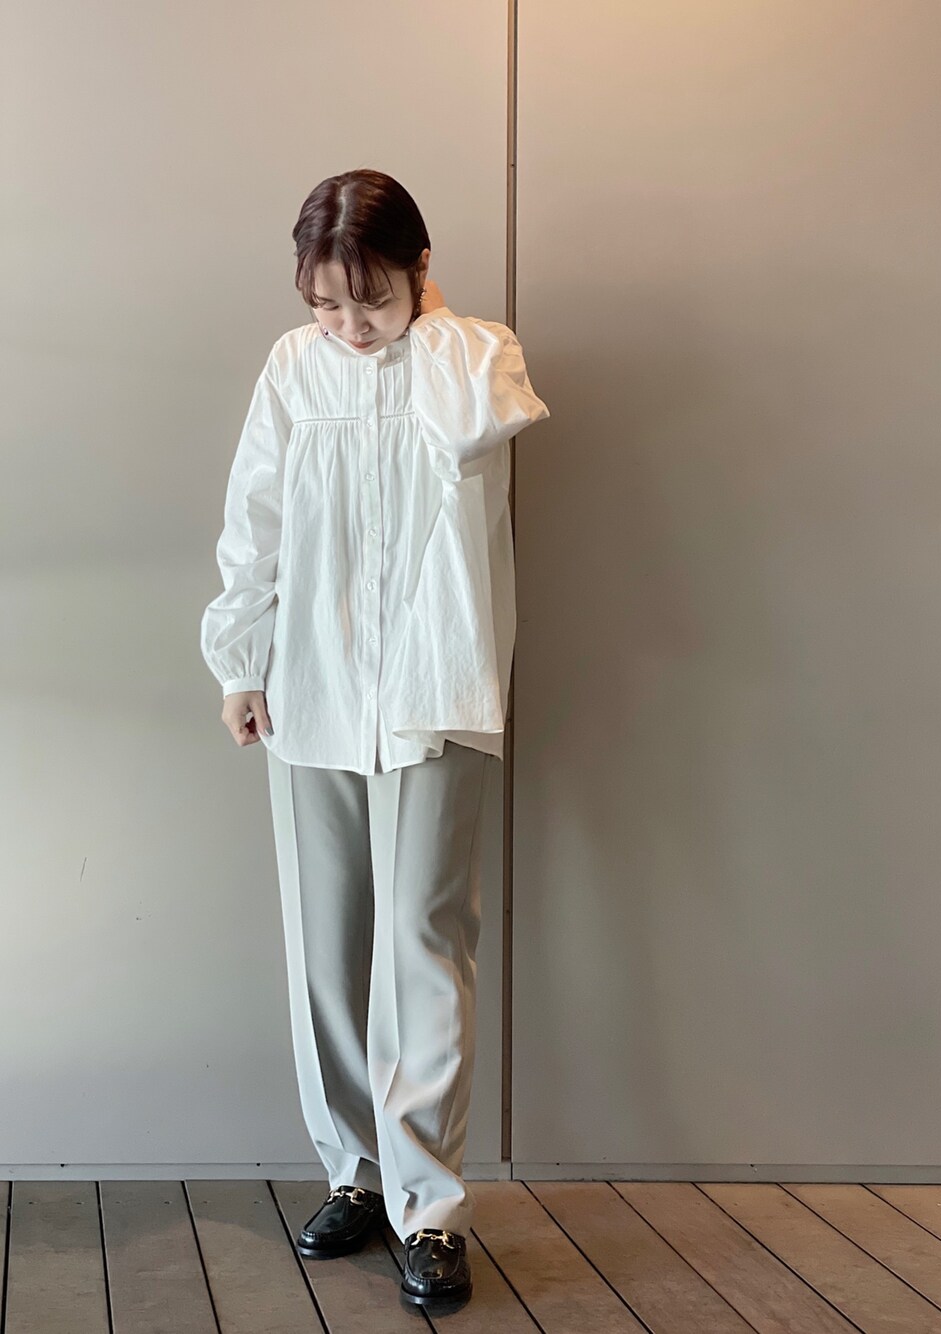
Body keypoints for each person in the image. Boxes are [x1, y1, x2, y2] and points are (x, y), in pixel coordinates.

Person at [199, 168, 550, 1311]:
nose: (350, 327)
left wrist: (424, 319)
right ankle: (355, 1171)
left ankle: (429, 1207)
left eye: (374, 299)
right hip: (312, 686)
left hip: (436, 688)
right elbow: (252, 521)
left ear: (420, 270)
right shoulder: (292, 368)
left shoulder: (473, 355)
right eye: (326, 304)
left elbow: (468, 426)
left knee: (424, 942)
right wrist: (240, 662)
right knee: (327, 939)